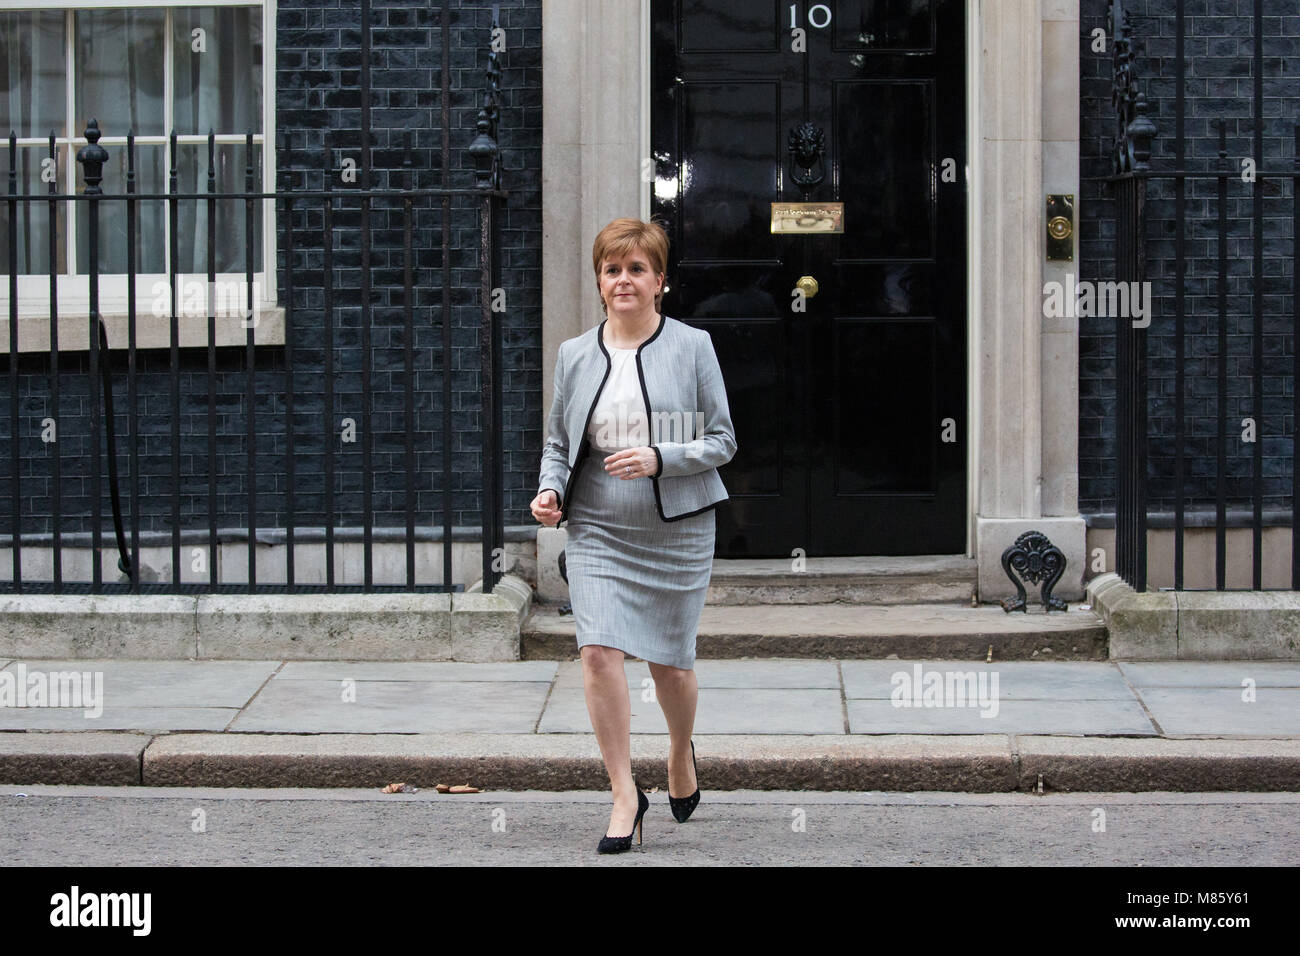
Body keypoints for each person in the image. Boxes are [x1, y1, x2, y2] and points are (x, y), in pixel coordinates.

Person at [531, 217, 738, 853]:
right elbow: (560, 443)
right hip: (597, 524)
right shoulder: (574, 353)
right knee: (597, 651)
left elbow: (723, 441)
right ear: (600, 281)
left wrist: (661, 457)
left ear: (659, 281)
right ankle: (625, 792)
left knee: (671, 665)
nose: (624, 280)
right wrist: (550, 489)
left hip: (675, 526)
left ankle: (680, 755)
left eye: (637, 269)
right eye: (613, 269)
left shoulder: (692, 347)